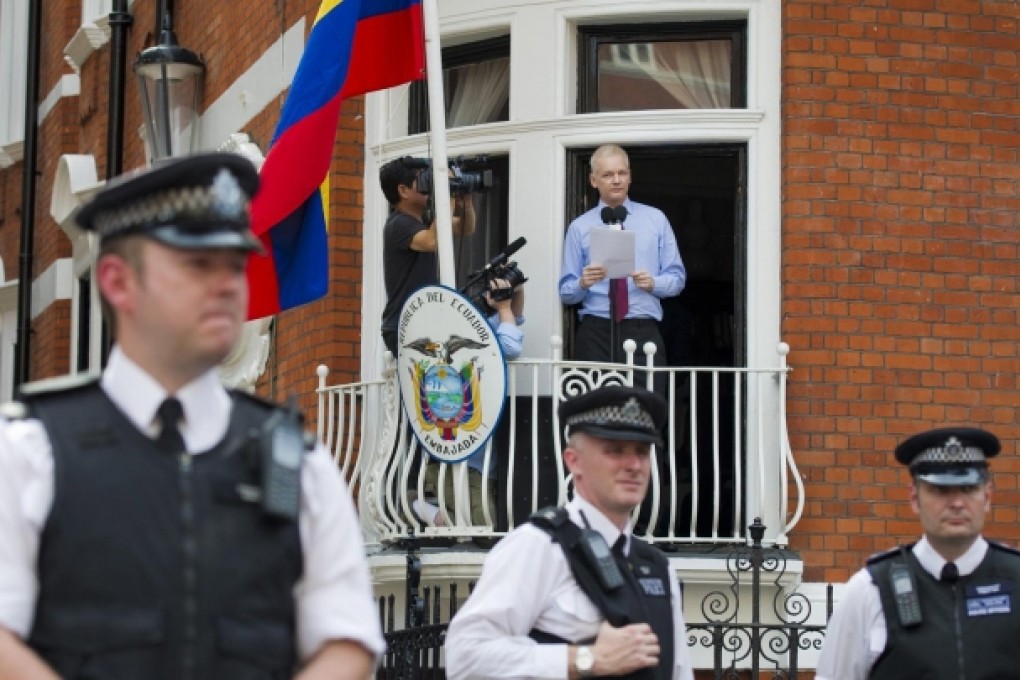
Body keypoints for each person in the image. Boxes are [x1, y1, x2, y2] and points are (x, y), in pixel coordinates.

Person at [0, 153, 384, 680]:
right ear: (116, 281)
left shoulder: (297, 461)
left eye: (235, 264)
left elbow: (347, 640)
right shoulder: (29, 452)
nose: (228, 284)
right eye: (197, 264)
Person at [445, 385, 695, 680]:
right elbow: (465, 656)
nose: (634, 465)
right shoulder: (539, 546)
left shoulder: (657, 567)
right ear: (573, 461)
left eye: (642, 452)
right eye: (615, 450)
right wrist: (586, 659)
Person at [816, 427, 1020, 680]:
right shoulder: (871, 590)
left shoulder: (1016, 578)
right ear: (914, 497)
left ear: (987, 495)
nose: (957, 503)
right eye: (940, 491)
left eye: (968, 489)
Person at [558, 145, 686, 376]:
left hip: (642, 328)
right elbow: (566, 293)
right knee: (596, 410)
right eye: (607, 175)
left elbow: (677, 280)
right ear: (593, 180)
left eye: (622, 173)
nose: (616, 180)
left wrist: (653, 283)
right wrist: (583, 283)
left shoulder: (655, 219)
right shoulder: (579, 227)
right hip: (596, 329)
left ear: (630, 176)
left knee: (645, 409)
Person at [419, 277, 525, 528]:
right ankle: (417, 507)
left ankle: (441, 513)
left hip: (485, 454)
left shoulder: (479, 332)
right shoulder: (447, 341)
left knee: (491, 522)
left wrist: (516, 289)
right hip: (457, 457)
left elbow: (514, 322)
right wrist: (503, 308)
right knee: (483, 526)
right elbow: (510, 346)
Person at [379, 157, 476, 355]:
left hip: (422, 321)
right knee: (423, 380)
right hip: (405, 324)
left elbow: (466, 228)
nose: (431, 186)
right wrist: (445, 192)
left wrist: (465, 202)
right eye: (424, 180)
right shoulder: (397, 224)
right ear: (403, 191)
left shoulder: (423, 220)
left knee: (432, 381)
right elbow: (432, 242)